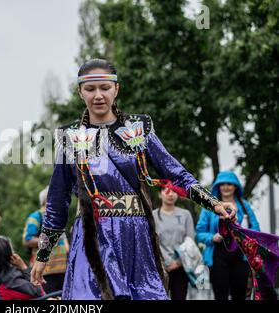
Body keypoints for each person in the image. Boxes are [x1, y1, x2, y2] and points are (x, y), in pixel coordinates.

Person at [30, 58, 237, 300]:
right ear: (80, 92)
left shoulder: (139, 130)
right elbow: (57, 200)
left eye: (105, 88)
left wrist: (214, 204)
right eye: (90, 89)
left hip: (134, 235)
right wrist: (43, 255)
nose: (98, 95)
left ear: (116, 89)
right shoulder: (69, 138)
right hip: (91, 235)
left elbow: (175, 173)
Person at [196, 171, 261, 300]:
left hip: (241, 256)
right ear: (217, 186)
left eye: (229, 184)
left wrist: (244, 235)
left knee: (240, 294)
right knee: (220, 294)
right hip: (217, 256)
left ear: (235, 186)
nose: (226, 187)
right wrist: (211, 237)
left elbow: (256, 229)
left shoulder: (244, 205)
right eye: (222, 184)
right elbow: (199, 232)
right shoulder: (209, 207)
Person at [23, 186, 69, 293]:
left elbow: (65, 245)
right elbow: (27, 240)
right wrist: (49, 239)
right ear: (47, 199)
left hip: (62, 271)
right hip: (44, 273)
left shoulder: (59, 218)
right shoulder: (36, 216)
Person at [153, 187, 195, 300]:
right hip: (159, 268)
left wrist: (178, 262)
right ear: (159, 194)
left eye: (174, 191)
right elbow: (150, 242)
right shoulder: (152, 216)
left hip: (180, 267)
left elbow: (190, 240)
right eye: (166, 191)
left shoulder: (185, 214)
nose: (170, 194)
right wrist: (164, 263)